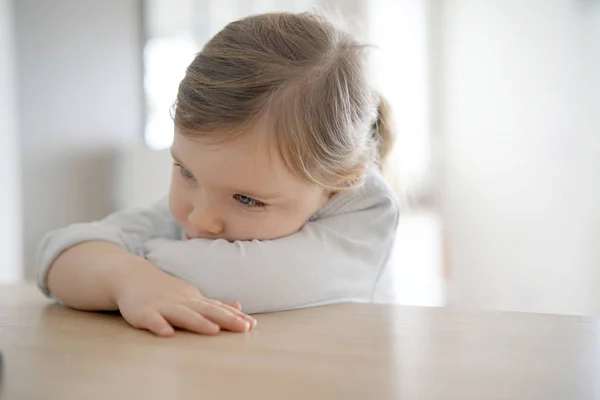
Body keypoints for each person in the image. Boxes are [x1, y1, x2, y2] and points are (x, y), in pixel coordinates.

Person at [37, 12, 399, 337]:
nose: (199, 218)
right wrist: (129, 277)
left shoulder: (368, 213)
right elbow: (56, 256)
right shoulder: (214, 197)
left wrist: (119, 265)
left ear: (341, 182)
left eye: (246, 199)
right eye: (187, 173)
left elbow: (228, 280)